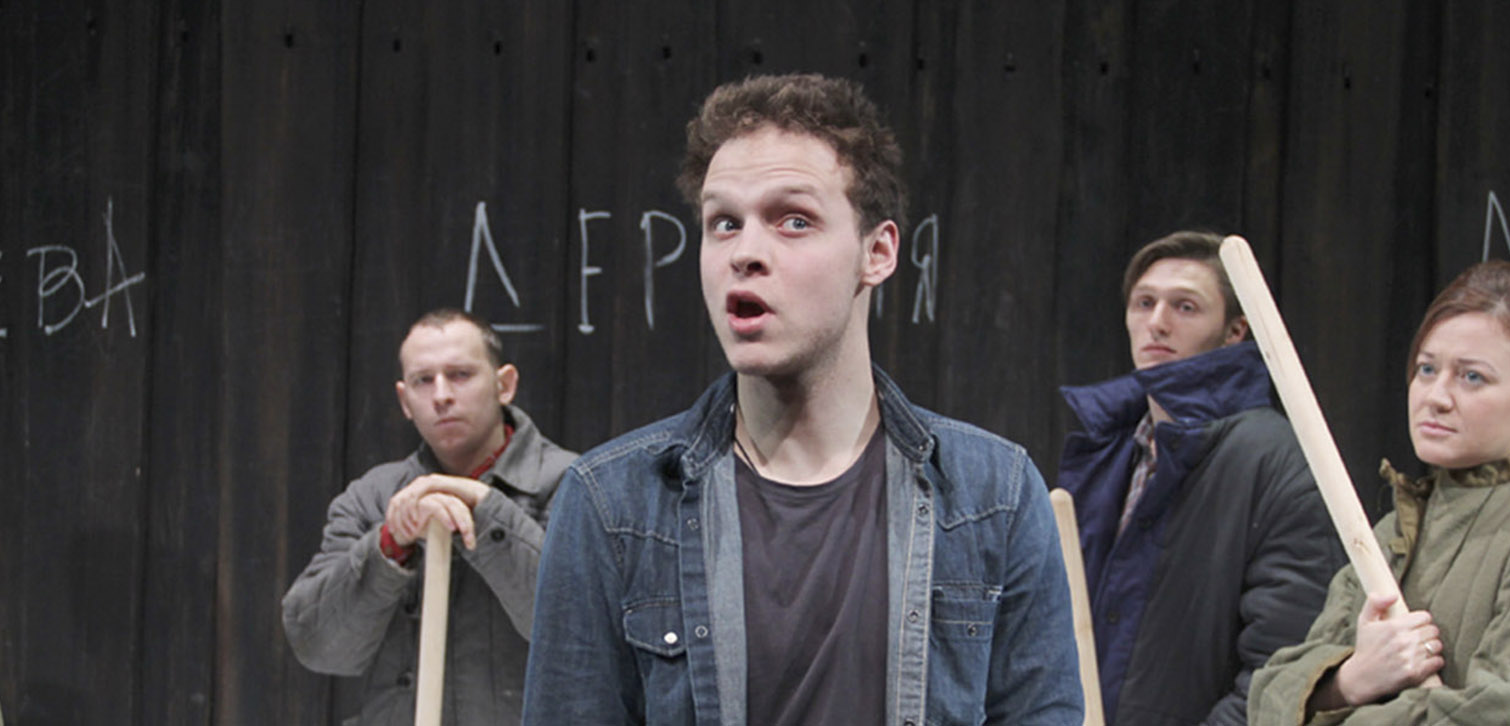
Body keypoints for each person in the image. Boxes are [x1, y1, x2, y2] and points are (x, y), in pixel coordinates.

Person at [521, 73, 1083, 725]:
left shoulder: (995, 495)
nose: (745, 253)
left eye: (793, 220)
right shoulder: (612, 503)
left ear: (877, 252)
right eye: (724, 223)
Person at [1249, 261, 1510, 724]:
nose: (1435, 397)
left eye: (1472, 377)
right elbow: (1270, 696)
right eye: (1427, 369)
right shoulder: (1392, 534)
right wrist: (1351, 680)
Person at [1057, 231, 1344, 725]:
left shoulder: (1273, 459)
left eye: (1185, 306)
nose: (1157, 322)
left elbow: (1283, 669)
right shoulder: (1108, 452)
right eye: (1144, 303)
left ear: (1235, 331)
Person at [282, 309, 577, 724]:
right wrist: (388, 546)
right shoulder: (372, 497)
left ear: (505, 384)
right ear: (405, 400)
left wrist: (487, 514)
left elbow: (578, 629)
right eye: (423, 380)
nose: (441, 395)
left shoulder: (575, 486)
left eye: (460, 375)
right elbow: (319, 646)